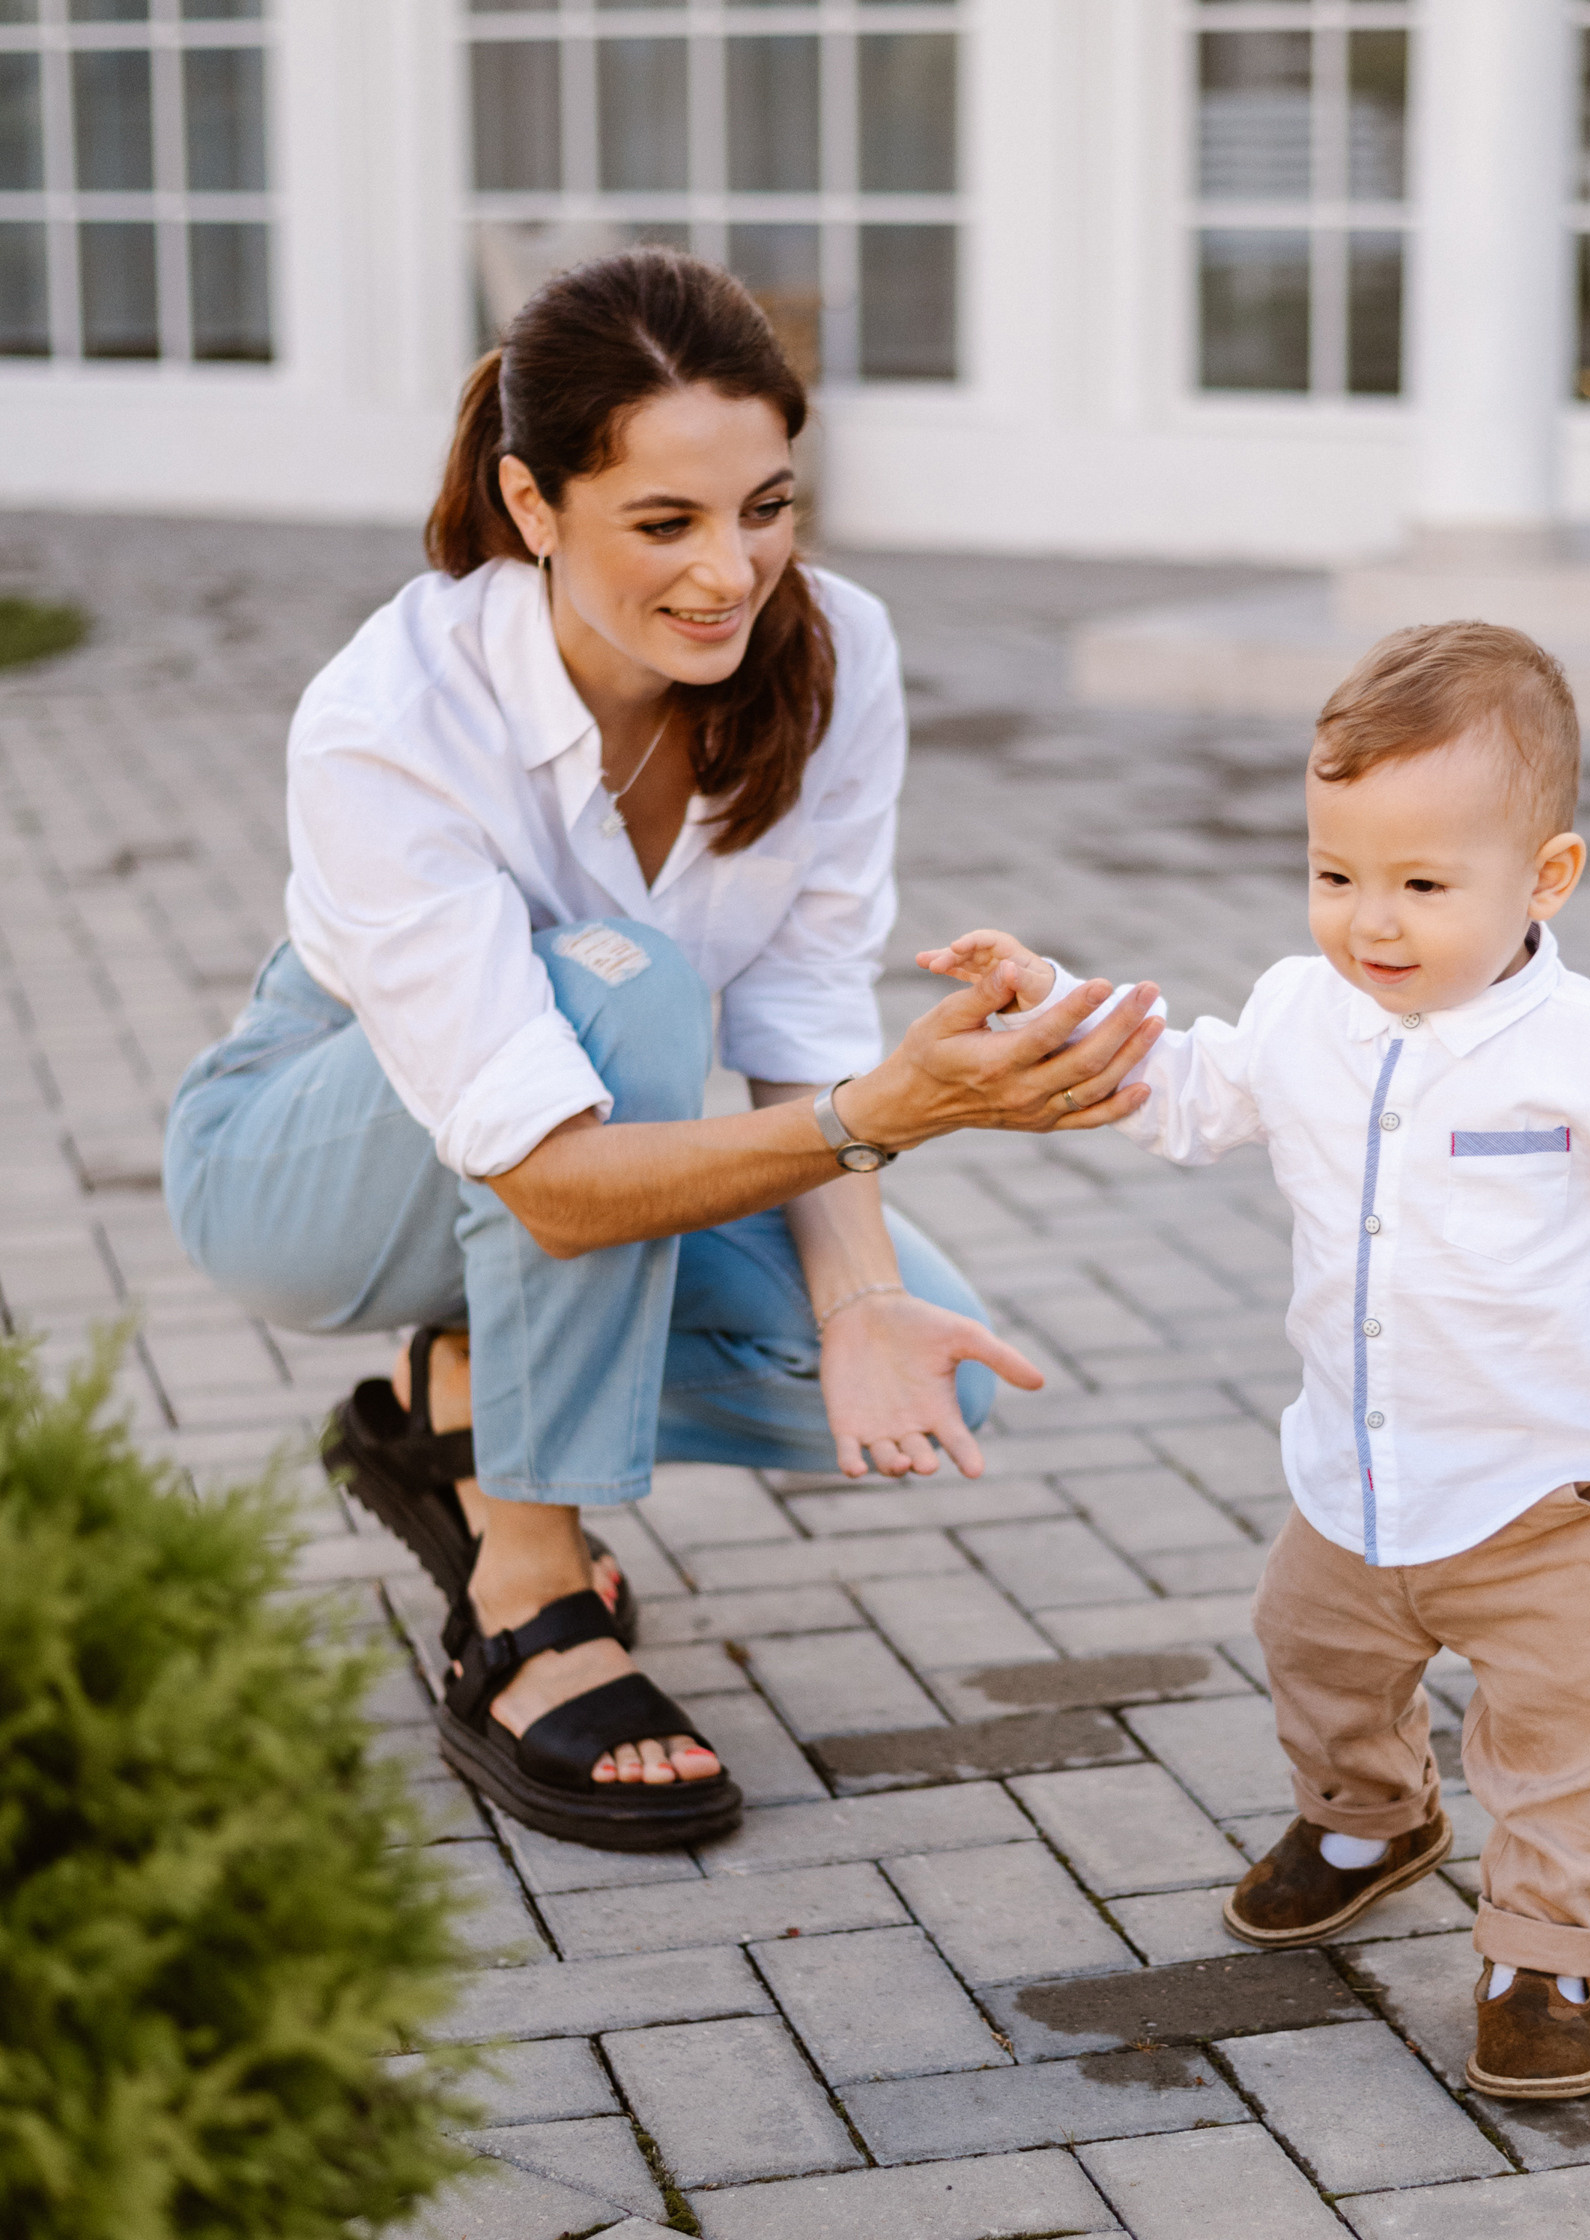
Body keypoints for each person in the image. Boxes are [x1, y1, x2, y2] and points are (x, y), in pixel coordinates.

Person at [164, 249, 1157, 1858]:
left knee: (918, 1366)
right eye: (665, 523)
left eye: (767, 506)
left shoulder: (836, 653)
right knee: (625, 989)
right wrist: (885, 1116)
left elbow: (805, 1024)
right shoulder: (391, 714)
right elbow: (557, 1182)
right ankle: (528, 1593)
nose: (732, 572)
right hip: (304, 1159)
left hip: (562, 1155)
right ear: (534, 504)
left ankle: (465, 1398)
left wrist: (861, 1295)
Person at [918, 620, 1590, 2100]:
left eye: (1424, 886)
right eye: (1336, 875)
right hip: (1355, 1472)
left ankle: (1544, 1951)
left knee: (1569, 1735)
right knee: (1312, 1651)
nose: (1370, 922)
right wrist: (1050, 1002)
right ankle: (1371, 1818)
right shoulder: (1305, 1010)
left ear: (1544, 880)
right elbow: (1182, 1092)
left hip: (1546, 1494)